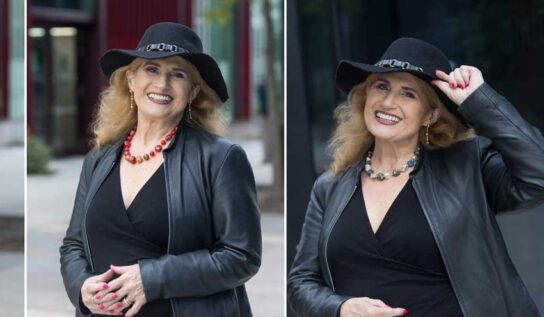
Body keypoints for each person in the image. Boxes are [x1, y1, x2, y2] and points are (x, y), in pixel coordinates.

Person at [288, 37, 544, 317]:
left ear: (430, 115)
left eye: (408, 93)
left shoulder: (467, 167)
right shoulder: (330, 186)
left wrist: (481, 100)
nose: (388, 102)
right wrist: (342, 308)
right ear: (365, 98)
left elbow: (538, 175)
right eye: (381, 86)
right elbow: (301, 283)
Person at [59, 22, 262, 316]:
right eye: (151, 69)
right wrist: (80, 287)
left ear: (192, 92)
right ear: (131, 80)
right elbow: (73, 244)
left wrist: (151, 279)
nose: (162, 84)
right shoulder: (99, 157)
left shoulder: (221, 158)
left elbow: (242, 256)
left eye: (177, 74)